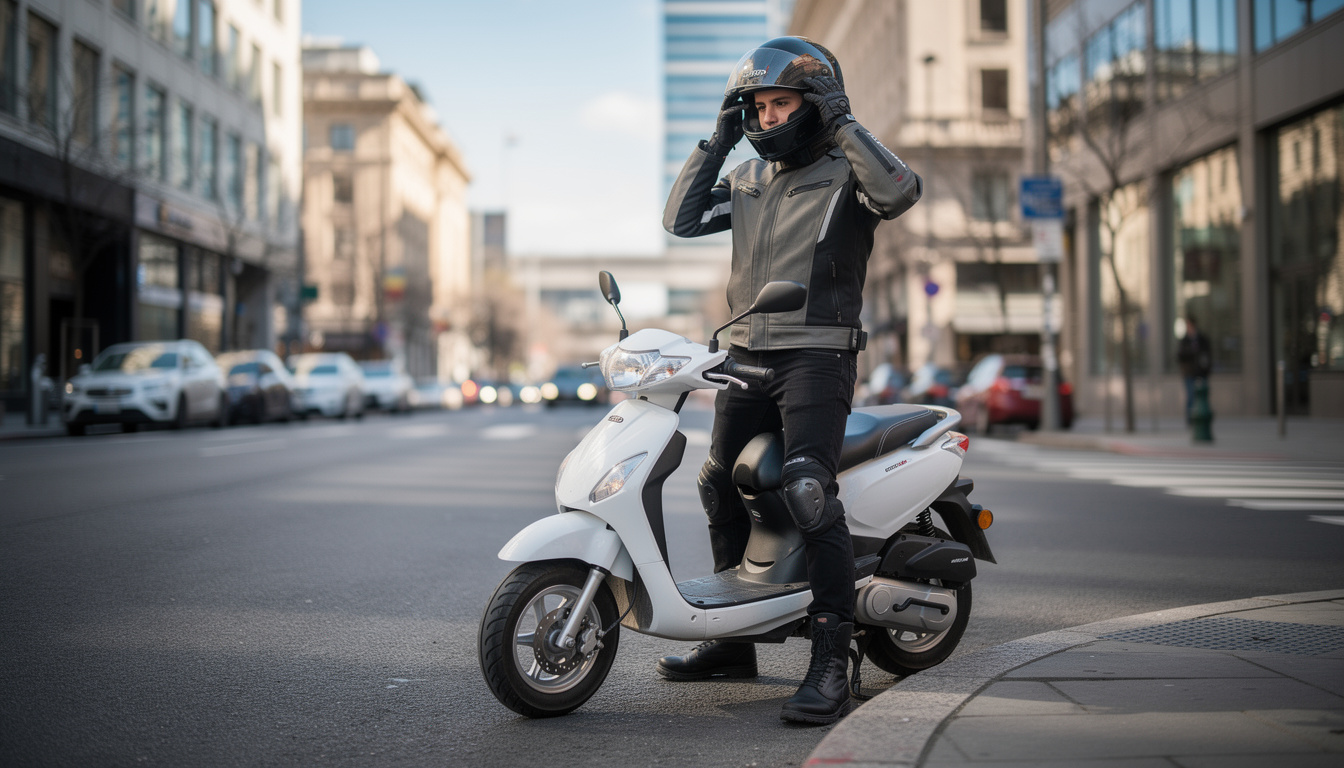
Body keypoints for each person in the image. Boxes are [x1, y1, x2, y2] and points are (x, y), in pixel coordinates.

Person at [658, 37, 922, 724]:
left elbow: (900, 193)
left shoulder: (849, 172)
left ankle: (830, 659)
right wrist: (718, 140)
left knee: (806, 490)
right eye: (757, 107)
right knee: (718, 482)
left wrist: (843, 121)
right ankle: (732, 642)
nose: (767, 117)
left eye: (781, 104)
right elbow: (680, 220)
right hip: (745, 355)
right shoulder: (748, 179)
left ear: (815, 102)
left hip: (817, 355)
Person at [1176, 316, 1211, 422]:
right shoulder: (1184, 341)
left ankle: (1204, 419)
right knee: (1191, 396)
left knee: (1203, 396)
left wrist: (1206, 369)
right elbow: (1180, 356)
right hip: (1189, 373)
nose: (1188, 328)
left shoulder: (1202, 339)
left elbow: (1207, 355)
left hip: (1201, 372)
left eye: (1189, 325)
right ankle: (1191, 420)